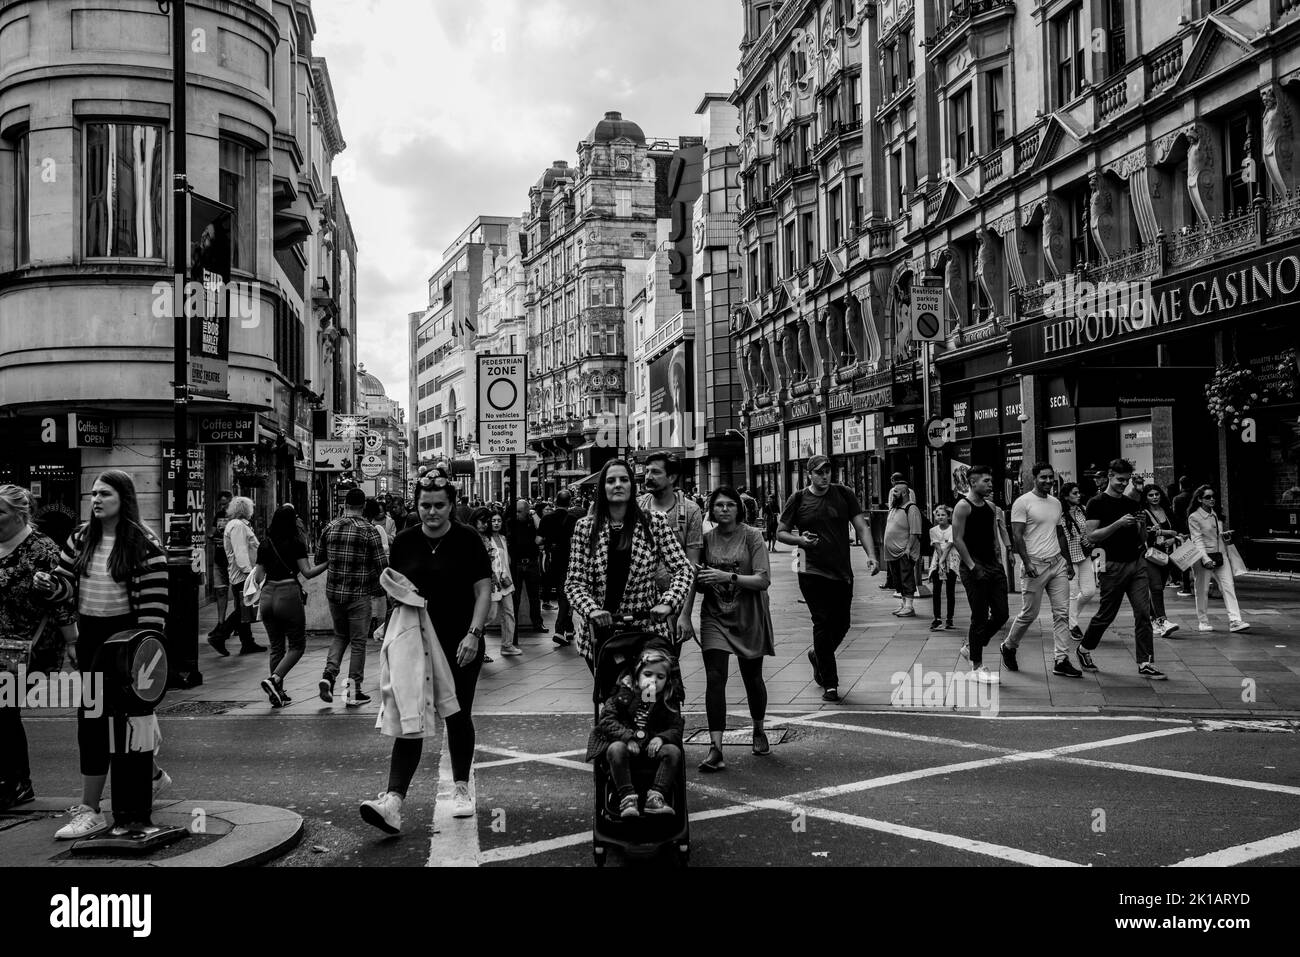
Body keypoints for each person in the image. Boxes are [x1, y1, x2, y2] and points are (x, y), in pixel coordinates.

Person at [361, 469, 493, 827]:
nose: (431, 512)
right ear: (416, 506)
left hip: (460, 640)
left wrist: (474, 634)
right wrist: (389, 628)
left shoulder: (468, 539)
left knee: (457, 714)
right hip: (416, 641)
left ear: (451, 505)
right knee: (410, 717)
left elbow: (483, 590)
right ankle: (392, 801)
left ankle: (462, 788)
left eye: (438, 505)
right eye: (424, 505)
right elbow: (398, 589)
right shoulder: (404, 541)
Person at [45, 470, 171, 839]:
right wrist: (52, 585)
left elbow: (154, 612)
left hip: (127, 640)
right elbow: (65, 585)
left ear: (124, 499)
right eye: (94, 494)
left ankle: (142, 781)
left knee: (132, 721)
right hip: (92, 639)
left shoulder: (144, 544)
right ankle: (91, 809)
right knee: (93, 723)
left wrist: (145, 659)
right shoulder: (81, 537)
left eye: (106, 494)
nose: (96, 500)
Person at [565, 459, 694, 671]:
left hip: (646, 630)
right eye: (611, 480)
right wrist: (592, 610)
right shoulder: (586, 528)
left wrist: (668, 603)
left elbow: (683, 569)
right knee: (614, 698)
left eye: (624, 480)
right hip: (602, 633)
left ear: (632, 486)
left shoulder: (655, 522)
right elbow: (574, 582)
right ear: (602, 488)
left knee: (648, 694)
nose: (618, 485)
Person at [776, 453, 880, 702]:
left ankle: (818, 655)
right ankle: (830, 684)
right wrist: (800, 540)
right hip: (810, 570)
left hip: (841, 571)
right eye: (819, 472)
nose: (824, 476)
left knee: (843, 623)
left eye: (828, 471)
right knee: (822, 623)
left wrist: (872, 555)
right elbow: (781, 533)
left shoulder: (843, 494)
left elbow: (862, 527)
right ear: (809, 474)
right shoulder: (798, 498)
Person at [0, 486, 77, 811]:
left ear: (20, 514)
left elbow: (60, 599)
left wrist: (73, 640)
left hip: (28, 646)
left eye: (0, 512)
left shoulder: (43, 549)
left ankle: (16, 783)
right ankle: (14, 781)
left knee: (3, 711)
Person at [694, 486, 774, 772]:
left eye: (730, 505)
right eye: (718, 505)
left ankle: (758, 729)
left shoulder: (753, 536)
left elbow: (763, 580)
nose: (724, 509)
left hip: (748, 615)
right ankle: (716, 748)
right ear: (711, 510)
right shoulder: (705, 540)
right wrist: (704, 580)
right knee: (715, 677)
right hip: (715, 616)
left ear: (739, 509)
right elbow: (700, 580)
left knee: (752, 677)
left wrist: (726, 575)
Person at [1078, 459, 1165, 679]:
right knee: (1106, 615)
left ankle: (1145, 662)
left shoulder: (1131, 503)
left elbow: (1142, 537)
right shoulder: (1096, 502)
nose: (1122, 484)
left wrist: (1143, 525)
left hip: (1136, 563)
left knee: (1143, 614)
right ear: (1109, 476)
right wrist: (1118, 523)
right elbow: (1091, 536)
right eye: (1119, 480)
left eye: (1126, 480)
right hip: (1111, 564)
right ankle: (1084, 649)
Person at [586, 646, 685, 817]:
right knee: (615, 748)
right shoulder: (622, 695)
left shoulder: (666, 700)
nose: (653, 681)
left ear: (667, 680)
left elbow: (676, 727)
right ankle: (627, 798)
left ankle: (655, 796)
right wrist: (627, 738)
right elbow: (607, 721)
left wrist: (662, 738)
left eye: (660, 677)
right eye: (648, 675)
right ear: (636, 675)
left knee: (674, 751)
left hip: (652, 750)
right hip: (624, 749)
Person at [1002, 463, 1080, 678]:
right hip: (1034, 564)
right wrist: (1026, 563)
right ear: (1034, 478)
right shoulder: (1023, 502)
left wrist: (1068, 562)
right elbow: (1017, 536)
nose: (1047, 481)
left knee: (1062, 614)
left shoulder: (1056, 503)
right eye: (1043, 477)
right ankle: (1009, 646)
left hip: (1057, 564)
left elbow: (1060, 533)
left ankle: (1061, 660)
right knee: (1029, 614)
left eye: (1050, 477)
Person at [316, 487, 388, 706]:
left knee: (339, 635)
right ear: (363, 507)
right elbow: (382, 565)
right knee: (358, 642)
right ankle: (353, 690)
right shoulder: (369, 530)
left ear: (344, 504)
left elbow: (320, 558)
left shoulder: (329, 527)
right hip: (359, 593)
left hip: (334, 593)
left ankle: (328, 675)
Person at [253, 504, 327, 707]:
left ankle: (277, 693)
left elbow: (258, 576)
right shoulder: (296, 542)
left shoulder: (265, 544)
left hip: (267, 595)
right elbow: (308, 572)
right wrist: (329, 563)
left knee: (276, 647)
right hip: (288, 595)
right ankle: (274, 679)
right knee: (297, 645)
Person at [951, 465, 1009, 684]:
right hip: (973, 567)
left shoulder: (992, 507)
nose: (990, 484)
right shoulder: (962, 507)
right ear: (972, 482)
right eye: (986, 481)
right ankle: (976, 665)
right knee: (980, 616)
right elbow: (957, 539)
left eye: (990, 481)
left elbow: (994, 538)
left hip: (993, 566)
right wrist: (973, 567)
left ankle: (970, 647)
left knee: (1002, 614)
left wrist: (1000, 563)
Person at [639, 451, 704, 645]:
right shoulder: (637, 508)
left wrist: (685, 614)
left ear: (672, 477)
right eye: (647, 471)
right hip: (640, 602)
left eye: (656, 472)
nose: (648, 477)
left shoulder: (690, 511)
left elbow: (691, 567)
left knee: (667, 661)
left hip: (671, 603)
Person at [1187, 485, 1251, 633]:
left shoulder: (1215, 514)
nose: (1211, 499)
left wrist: (1224, 536)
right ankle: (1203, 621)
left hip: (1221, 557)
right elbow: (1197, 540)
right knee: (1202, 590)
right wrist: (1205, 558)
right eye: (1207, 497)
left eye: (1213, 496)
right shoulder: (1194, 517)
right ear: (1199, 499)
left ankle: (1235, 620)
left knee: (1228, 586)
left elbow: (1215, 535)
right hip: (1204, 559)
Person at [212, 496, 265, 657]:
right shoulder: (237, 526)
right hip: (243, 575)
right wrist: (249, 572)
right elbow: (240, 551)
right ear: (245, 509)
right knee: (245, 608)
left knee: (243, 609)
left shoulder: (239, 525)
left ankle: (247, 642)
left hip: (242, 573)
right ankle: (219, 636)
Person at [538, 490, 581, 646]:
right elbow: (574, 541)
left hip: (549, 560)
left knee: (563, 593)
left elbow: (538, 540)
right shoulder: (572, 519)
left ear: (555, 501)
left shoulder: (547, 518)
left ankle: (569, 629)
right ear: (569, 502)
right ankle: (559, 630)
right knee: (565, 595)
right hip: (567, 560)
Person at [1141, 484, 1182, 639]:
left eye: (1157, 494)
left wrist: (1172, 538)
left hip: (1166, 555)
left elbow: (1178, 528)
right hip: (1150, 555)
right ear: (1145, 497)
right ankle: (1163, 621)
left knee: (1159, 588)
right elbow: (1145, 532)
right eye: (1151, 495)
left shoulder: (1167, 511)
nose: (1154, 497)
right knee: (1156, 587)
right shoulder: (1144, 513)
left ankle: (1152, 620)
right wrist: (1166, 532)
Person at [1057, 482, 1097, 641]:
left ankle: (1070, 617)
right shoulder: (1059, 513)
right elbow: (1061, 538)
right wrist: (1066, 562)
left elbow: (1089, 530)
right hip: (1069, 557)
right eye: (1074, 493)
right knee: (1072, 594)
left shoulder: (1082, 510)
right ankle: (1073, 625)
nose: (1078, 495)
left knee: (1089, 591)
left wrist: (1090, 541)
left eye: (1078, 492)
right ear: (1066, 496)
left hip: (1083, 555)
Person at [473, 507, 514, 658]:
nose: (487, 524)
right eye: (490, 521)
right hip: (487, 582)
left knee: (501, 613)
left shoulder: (496, 538)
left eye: (487, 522)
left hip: (499, 581)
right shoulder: (480, 538)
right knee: (489, 615)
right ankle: (476, 642)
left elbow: (500, 560)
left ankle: (506, 645)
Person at [505, 498, 546, 633]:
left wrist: (534, 515)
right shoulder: (511, 522)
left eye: (520, 511)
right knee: (515, 597)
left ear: (527, 512)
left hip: (531, 563)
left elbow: (542, 529)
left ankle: (537, 623)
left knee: (534, 596)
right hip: (516, 563)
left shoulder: (532, 522)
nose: (517, 514)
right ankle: (513, 625)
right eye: (516, 511)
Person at [883, 485, 923, 617]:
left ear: (905, 493)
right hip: (891, 552)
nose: (893, 494)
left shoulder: (911, 508)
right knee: (897, 579)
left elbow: (915, 531)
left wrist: (908, 548)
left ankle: (909, 606)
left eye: (896, 491)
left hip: (904, 551)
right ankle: (904, 604)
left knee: (906, 577)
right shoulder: (894, 508)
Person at [206, 489, 232, 644]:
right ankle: (221, 622)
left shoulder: (237, 517)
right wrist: (213, 536)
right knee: (221, 591)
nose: (223, 507)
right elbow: (213, 531)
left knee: (236, 593)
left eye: (226, 504)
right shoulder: (219, 516)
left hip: (231, 559)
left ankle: (235, 624)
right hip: (219, 557)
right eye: (221, 504)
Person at [927, 504, 959, 631]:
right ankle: (937, 618)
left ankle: (949, 618)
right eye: (938, 515)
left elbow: (950, 545)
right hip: (937, 560)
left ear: (949, 516)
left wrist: (944, 560)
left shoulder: (953, 529)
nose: (940, 517)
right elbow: (937, 546)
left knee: (950, 590)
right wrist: (940, 562)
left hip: (951, 559)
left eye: (943, 515)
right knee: (936, 590)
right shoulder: (933, 530)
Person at [1170, 476, 1197, 598]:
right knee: (1198, 556)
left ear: (1181, 485)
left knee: (1186, 559)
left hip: (1184, 531)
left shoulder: (1177, 499)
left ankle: (1186, 587)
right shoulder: (1196, 497)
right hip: (1196, 529)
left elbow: (1176, 517)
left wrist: (1177, 532)